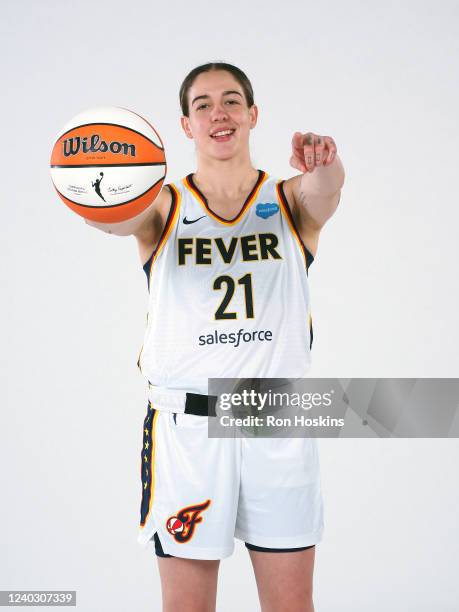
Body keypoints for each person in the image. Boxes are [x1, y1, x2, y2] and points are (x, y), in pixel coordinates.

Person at [117, 62, 343, 611]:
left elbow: (326, 188)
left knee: (292, 604)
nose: (219, 112)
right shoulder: (164, 206)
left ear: (252, 115)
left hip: (275, 419)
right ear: (186, 125)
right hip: (189, 424)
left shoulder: (290, 201)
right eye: (203, 104)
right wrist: (91, 190)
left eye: (232, 100)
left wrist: (326, 162)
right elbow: (114, 219)